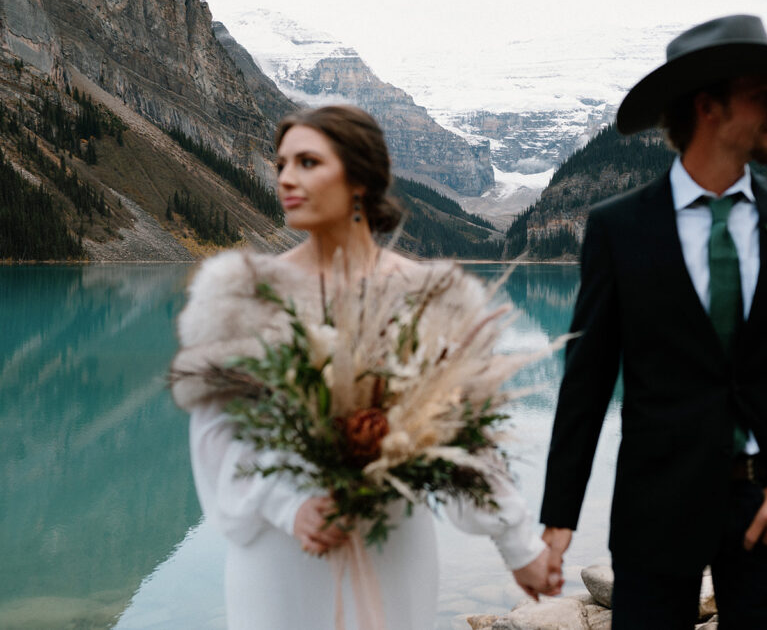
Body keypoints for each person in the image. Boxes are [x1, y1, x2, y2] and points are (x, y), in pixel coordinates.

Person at [538, 15, 767, 628]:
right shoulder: (619, 228)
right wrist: (559, 520)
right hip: (655, 506)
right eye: (764, 95)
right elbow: (587, 380)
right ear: (708, 107)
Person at [170, 105, 558, 629]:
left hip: (391, 542)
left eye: (307, 162)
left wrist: (518, 546)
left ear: (359, 178)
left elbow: (468, 435)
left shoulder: (434, 296)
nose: (285, 178)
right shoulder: (240, 293)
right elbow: (216, 430)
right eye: (281, 163)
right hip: (283, 551)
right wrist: (291, 507)